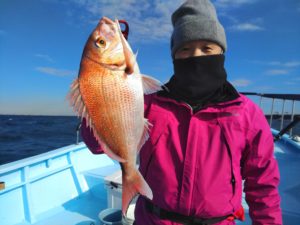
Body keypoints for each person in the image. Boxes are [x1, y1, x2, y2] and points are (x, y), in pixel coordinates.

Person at [81, 0, 282, 224]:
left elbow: (263, 187)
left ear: (221, 52)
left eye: (207, 48)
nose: (196, 56)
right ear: (174, 56)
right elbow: (96, 144)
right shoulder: (150, 104)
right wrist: (99, 88)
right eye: (185, 49)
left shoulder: (247, 114)